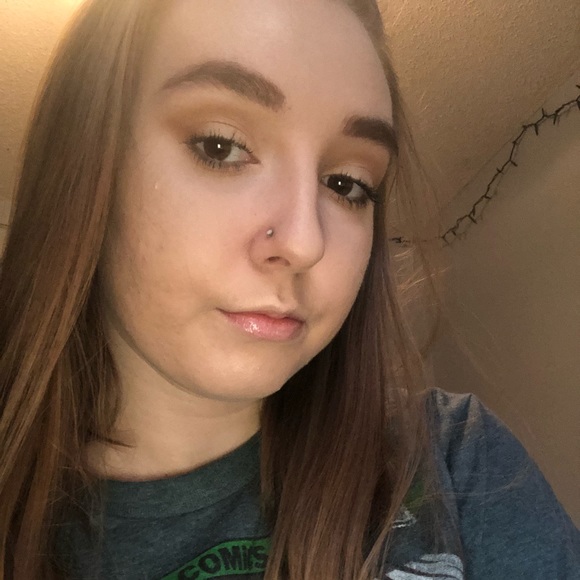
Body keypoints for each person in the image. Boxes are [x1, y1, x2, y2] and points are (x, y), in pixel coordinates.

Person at [0, 0, 578, 578]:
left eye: (346, 184)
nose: (305, 242)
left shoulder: (456, 461)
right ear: (82, 164)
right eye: (220, 146)